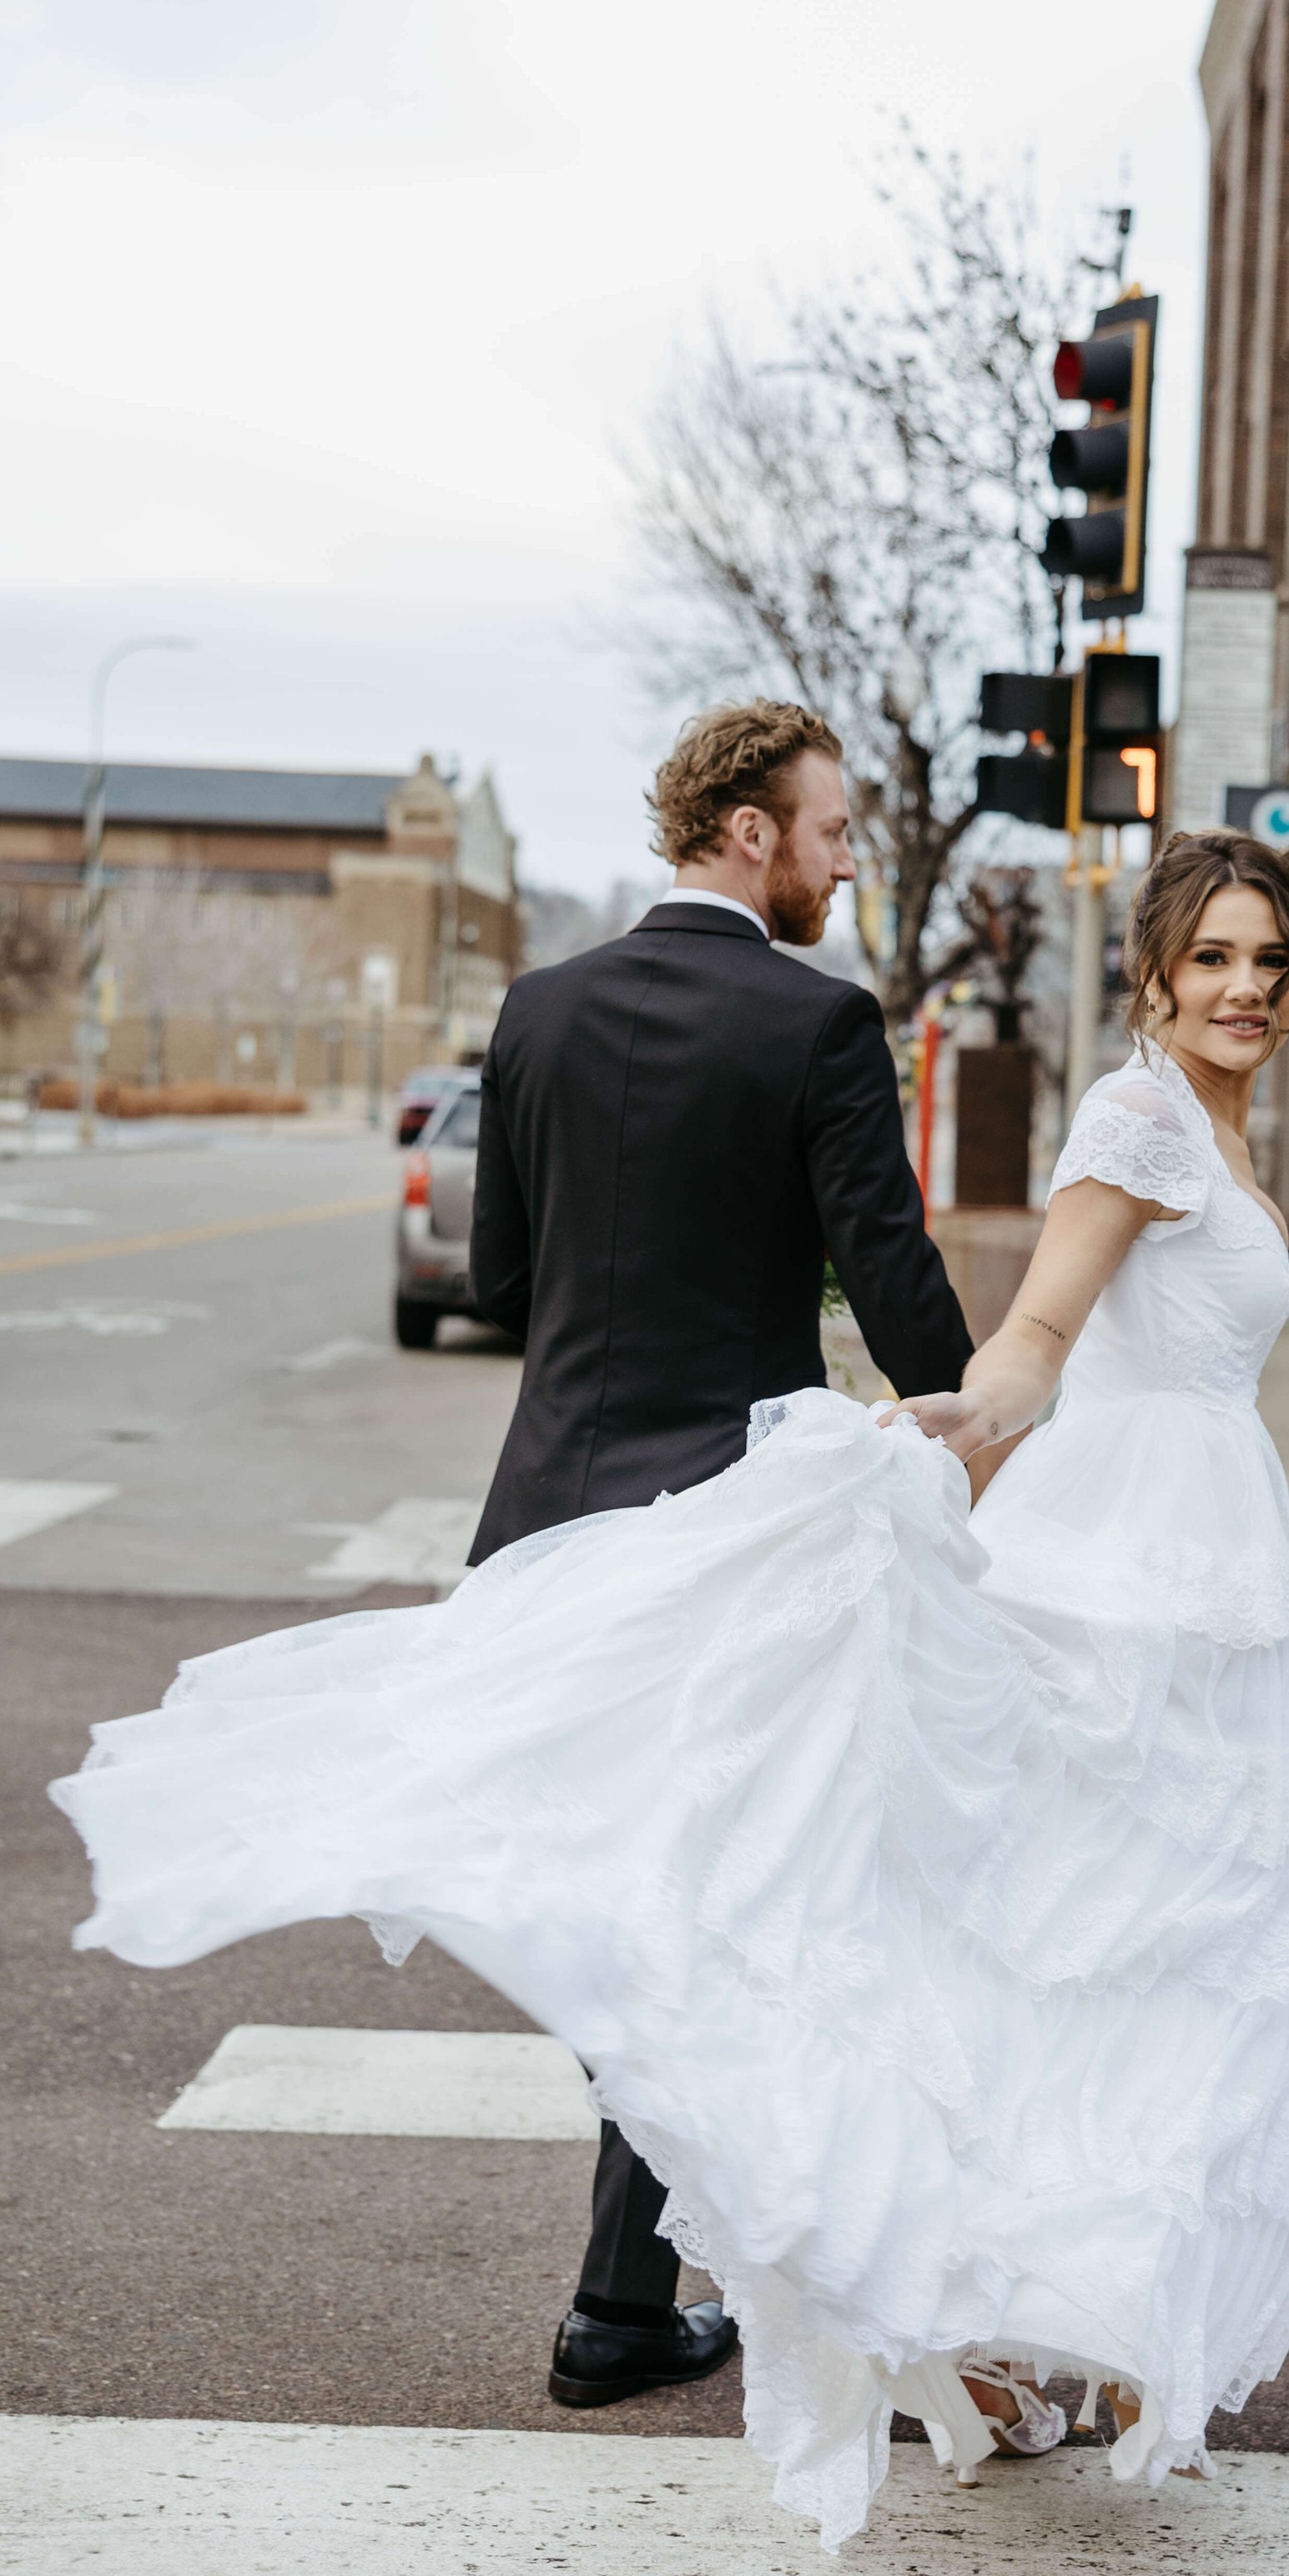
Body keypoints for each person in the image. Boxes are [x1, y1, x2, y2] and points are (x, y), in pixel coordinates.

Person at [52, 818, 1289, 2550]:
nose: (1242, 990)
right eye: (1209, 957)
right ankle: (991, 2300)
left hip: (1211, 1560)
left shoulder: (1222, 1125)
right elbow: (1040, 1337)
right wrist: (950, 1428)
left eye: (1268, 963)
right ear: (1151, 969)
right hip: (1128, 1566)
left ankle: (1067, 2314)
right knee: (1091, 1931)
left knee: (1151, 1943)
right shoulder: (1136, 1119)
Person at [466, 701, 974, 2407]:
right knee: (709, 1904)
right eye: (830, 829)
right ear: (751, 833)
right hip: (725, 1539)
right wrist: (987, 1426)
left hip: (541, 1528)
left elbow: (493, 1284)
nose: (842, 860)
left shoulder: (536, 1011)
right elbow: (891, 1281)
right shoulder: (816, 1023)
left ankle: (626, 2289)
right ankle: (623, 2295)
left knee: (638, 1903)